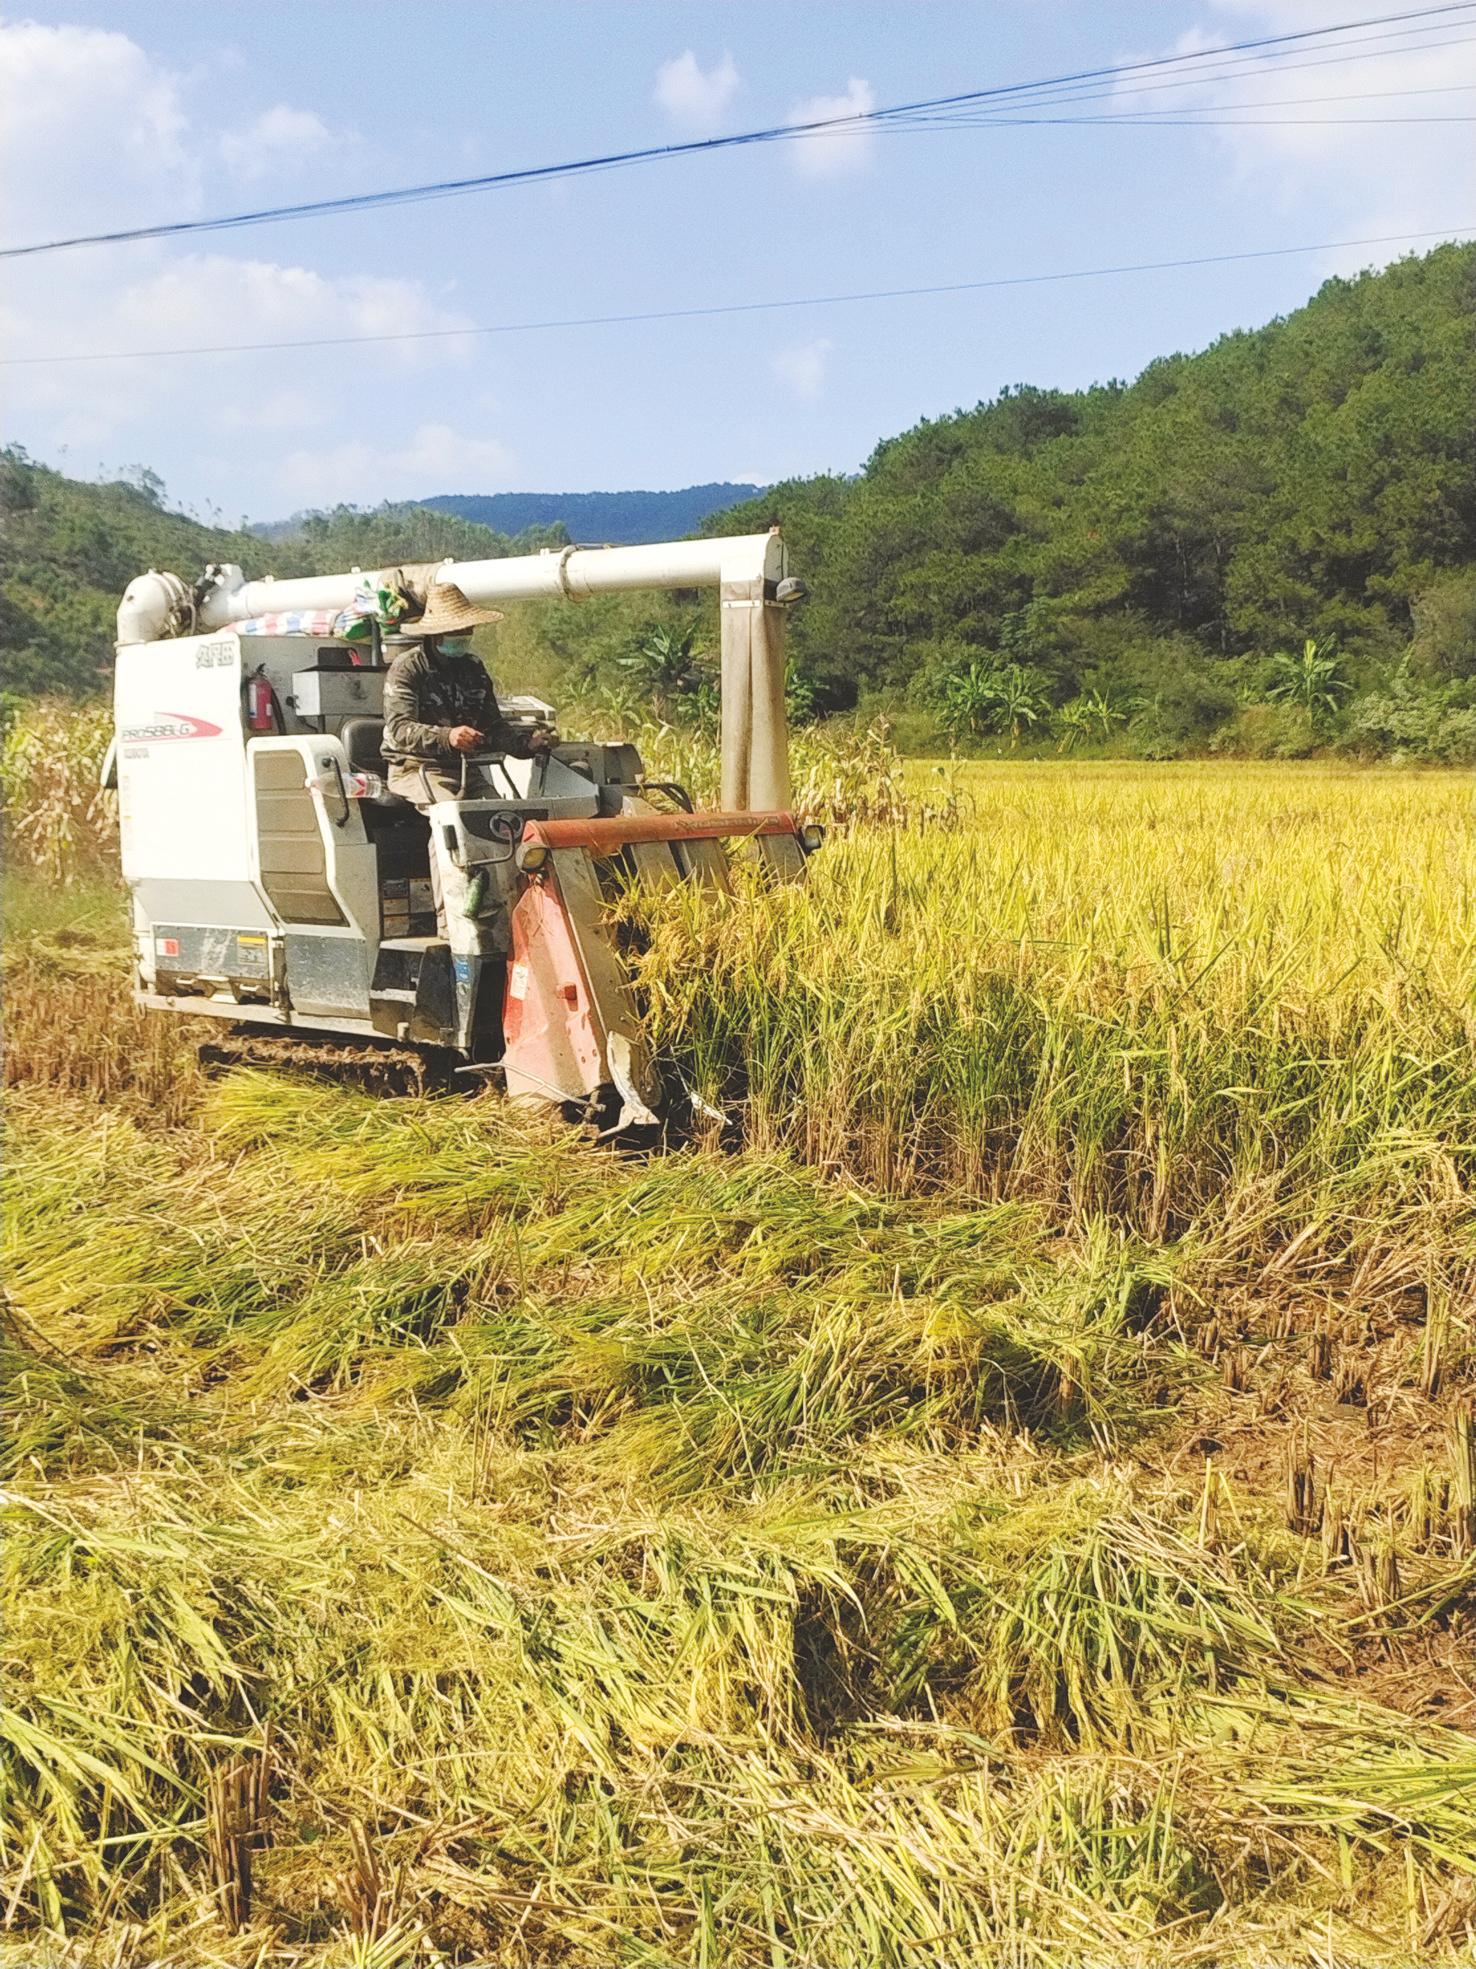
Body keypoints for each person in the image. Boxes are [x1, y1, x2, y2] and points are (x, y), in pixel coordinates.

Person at [381, 582, 558, 807]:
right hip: (415, 769)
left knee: (500, 817)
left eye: (467, 629)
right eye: (456, 631)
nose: (464, 635)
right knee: (454, 816)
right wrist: (448, 737)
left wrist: (526, 745)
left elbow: (493, 726)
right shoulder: (408, 668)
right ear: (436, 635)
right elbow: (400, 729)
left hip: (466, 770)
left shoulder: (474, 669)